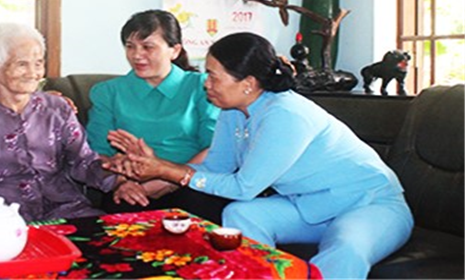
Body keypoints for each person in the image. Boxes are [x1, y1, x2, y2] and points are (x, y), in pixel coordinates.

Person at [105, 32, 414, 280]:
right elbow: (215, 168)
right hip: (309, 207)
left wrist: (166, 170)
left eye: (213, 76)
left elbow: (244, 187)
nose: (206, 84)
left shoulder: (286, 114)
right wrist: (158, 166)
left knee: (346, 247)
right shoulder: (233, 111)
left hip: (369, 204)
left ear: (248, 83)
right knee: (241, 214)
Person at [0, 23, 120, 222]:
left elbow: (83, 161)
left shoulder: (58, 109)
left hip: (66, 209)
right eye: (22, 64)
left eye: (38, 63)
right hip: (5, 215)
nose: (32, 73)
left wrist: (119, 182)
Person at [87, 10, 231, 223]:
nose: (136, 55)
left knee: (201, 209)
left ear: (175, 50)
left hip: (189, 181)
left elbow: (214, 148)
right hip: (132, 186)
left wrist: (168, 179)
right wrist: (121, 182)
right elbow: (95, 153)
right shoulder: (108, 92)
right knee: (123, 211)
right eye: (130, 46)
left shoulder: (201, 87)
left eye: (148, 47)